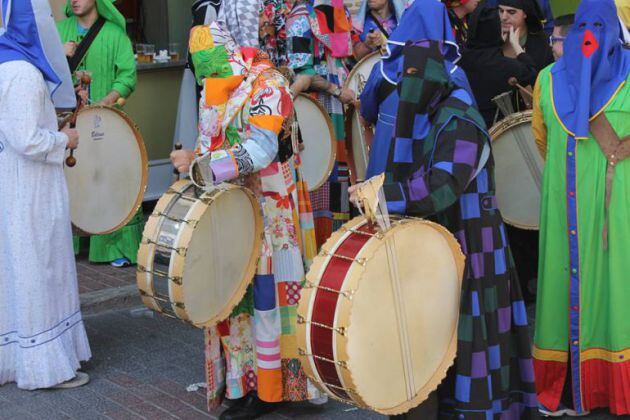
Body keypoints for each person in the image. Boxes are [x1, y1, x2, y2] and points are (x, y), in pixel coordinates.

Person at [351, 39, 538, 419]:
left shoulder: (462, 120)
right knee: (440, 333)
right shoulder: (430, 110)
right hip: (443, 241)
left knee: (473, 333)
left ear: (434, 80)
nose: (408, 90)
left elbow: (442, 186)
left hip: (474, 243)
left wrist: (384, 193)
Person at [170, 22, 320, 419]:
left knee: (268, 298)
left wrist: (201, 165)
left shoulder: (268, 85)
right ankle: (240, 382)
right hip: (232, 205)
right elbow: (211, 135)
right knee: (234, 297)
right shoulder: (217, 84)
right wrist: (198, 160)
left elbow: (261, 148)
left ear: (230, 55)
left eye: (213, 67)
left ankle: (272, 390)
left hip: (271, 210)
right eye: (202, 70)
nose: (207, 78)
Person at [532, 0, 630, 416]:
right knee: (566, 287)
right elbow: (543, 139)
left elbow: (542, 141)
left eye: (599, 25)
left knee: (617, 290)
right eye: (582, 26)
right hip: (567, 211)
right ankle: (573, 388)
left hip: (618, 214)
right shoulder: (546, 80)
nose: (590, 34)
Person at [0, 0, 92, 390]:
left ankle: (16, 356)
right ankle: (45, 366)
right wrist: (64, 137)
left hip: (15, 181)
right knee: (40, 265)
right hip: (31, 185)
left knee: (17, 267)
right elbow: (26, 139)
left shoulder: (5, 66)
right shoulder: (22, 72)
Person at [57, 0, 139, 268]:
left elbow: (127, 77)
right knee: (70, 178)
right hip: (66, 122)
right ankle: (66, 245)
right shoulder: (58, 31)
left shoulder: (115, 34)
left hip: (106, 122)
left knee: (106, 177)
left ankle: (112, 246)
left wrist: (105, 102)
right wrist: (59, 55)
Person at [360, 0, 476, 180]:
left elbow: (367, 112)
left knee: (382, 206)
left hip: (384, 166)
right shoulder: (454, 76)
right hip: (429, 173)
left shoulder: (381, 71)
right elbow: (470, 119)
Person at [287, 0, 357, 247]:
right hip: (316, 108)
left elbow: (341, 60)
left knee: (339, 176)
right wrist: (336, 90)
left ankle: (337, 245)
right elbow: (301, 73)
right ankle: (318, 248)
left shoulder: (338, 12)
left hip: (339, 107)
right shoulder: (300, 18)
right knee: (318, 177)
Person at [460, 6, 538, 127]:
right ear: (495, 31)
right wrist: (517, 47)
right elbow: (533, 75)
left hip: (465, 129)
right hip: (497, 134)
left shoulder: (459, 59)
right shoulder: (505, 66)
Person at [499, 0, 554, 71]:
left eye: (511, 12)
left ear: (525, 14)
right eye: (501, 11)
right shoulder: (490, 38)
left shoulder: (542, 43)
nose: (504, 17)